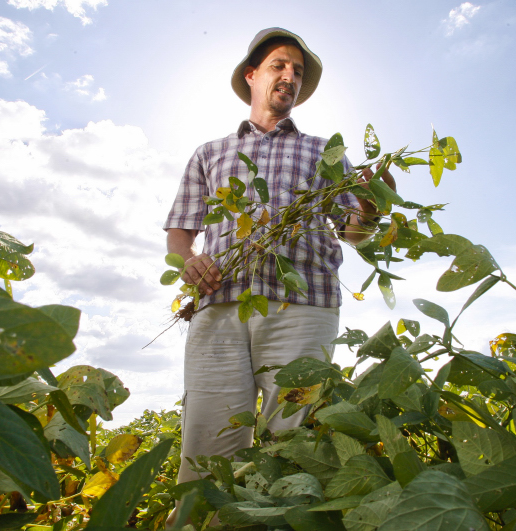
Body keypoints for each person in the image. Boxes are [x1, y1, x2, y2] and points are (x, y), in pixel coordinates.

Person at [162, 27, 395, 525]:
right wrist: (188, 260)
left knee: (294, 441)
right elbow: (181, 233)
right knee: (206, 444)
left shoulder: (322, 151)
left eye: (298, 71)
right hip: (220, 305)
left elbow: (353, 233)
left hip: (303, 306)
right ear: (252, 76)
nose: (289, 76)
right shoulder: (210, 152)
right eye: (279, 66)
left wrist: (375, 204)